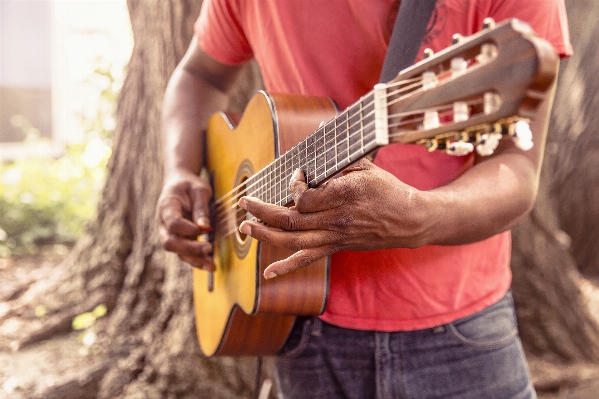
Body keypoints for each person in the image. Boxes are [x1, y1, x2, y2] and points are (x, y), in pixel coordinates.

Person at [156, 1, 572, 398]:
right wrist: (180, 170)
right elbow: (201, 75)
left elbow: (516, 169)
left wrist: (419, 216)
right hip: (295, 319)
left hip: (458, 330)